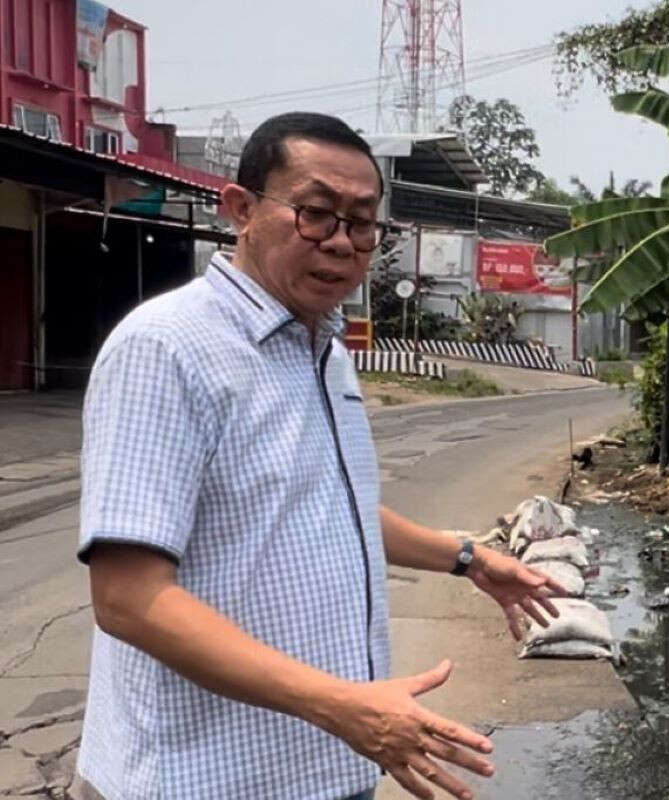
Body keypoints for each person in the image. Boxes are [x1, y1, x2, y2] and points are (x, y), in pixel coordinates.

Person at [76, 112, 566, 800]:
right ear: (240, 209)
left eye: (363, 223)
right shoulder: (167, 348)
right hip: (204, 778)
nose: (342, 243)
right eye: (315, 214)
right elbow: (129, 598)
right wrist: (343, 706)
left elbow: (326, 506)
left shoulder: (323, 351)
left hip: (323, 767)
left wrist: (466, 557)